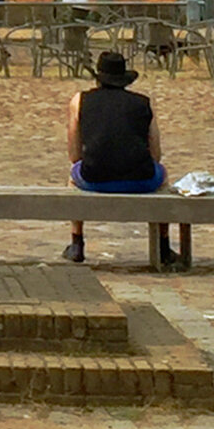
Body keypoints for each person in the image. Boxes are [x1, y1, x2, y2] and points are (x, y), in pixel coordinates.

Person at [65, 52, 174, 268]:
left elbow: (74, 154)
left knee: (72, 178)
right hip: (141, 179)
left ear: (98, 78)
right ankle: (163, 244)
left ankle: (76, 241)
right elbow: (156, 154)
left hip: (94, 177)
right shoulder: (142, 103)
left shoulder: (80, 101)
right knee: (163, 177)